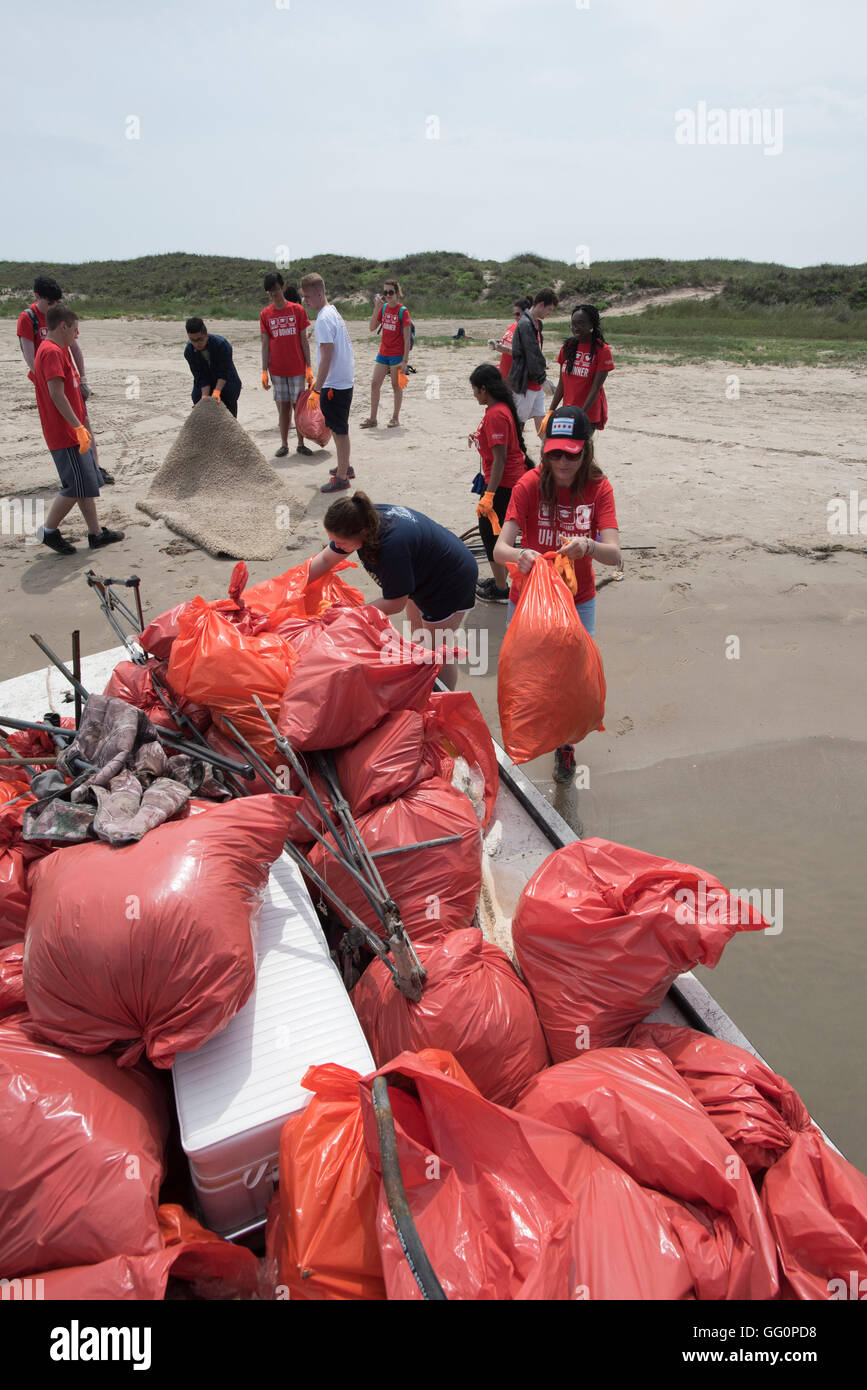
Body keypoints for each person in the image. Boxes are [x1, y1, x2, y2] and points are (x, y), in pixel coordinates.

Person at [494, 406, 620, 783]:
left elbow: (615, 555)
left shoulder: (599, 488)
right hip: (530, 596)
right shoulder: (528, 485)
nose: (563, 462)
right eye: (555, 453)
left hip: (577, 600)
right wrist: (522, 555)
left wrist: (588, 545)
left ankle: (565, 744)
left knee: (573, 675)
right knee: (530, 671)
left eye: (572, 454)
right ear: (545, 450)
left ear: (587, 450)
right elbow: (500, 549)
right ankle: (529, 737)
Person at [307, 492, 478, 691]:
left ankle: (445, 699)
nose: (337, 546)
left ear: (361, 533)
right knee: (420, 638)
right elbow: (326, 559)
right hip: (421, 573)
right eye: (333, 540)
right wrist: (297, 581)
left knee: (437, 649)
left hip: (449, 581)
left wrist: (351, 615)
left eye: (341, 543)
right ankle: (424, 685)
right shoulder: (361, 516)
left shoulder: (390, 548)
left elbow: (396, 602)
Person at [32, 305, 124, 556]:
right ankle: (48, 531)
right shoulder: (51, 351)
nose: (77, 333)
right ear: (64, 326)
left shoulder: (59, 350)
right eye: (75, 327)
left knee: (85, 483)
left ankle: (95, 534)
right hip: (65, 434)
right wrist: (78, 427)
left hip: (72, 432)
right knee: (75, 486)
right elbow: (55, 394)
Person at [17, 275, 113, 484]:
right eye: (49, 302)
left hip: (69, 376)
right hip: (49, 380)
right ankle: (73, 471)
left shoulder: (60, 315)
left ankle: (94, 467)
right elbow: (29, 356)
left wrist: (84, 379)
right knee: (61, 425)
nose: (53, 306)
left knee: (83, 420)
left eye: (56, 302)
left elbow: (75, 347)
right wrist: (47, 385)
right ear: (37, 297)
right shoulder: (28, 318)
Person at [467, 363, 531, 604]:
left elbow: (501, 458)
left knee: (491, 536)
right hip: (505, 481)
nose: (474, 395)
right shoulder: (500, 408)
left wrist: (489, 495)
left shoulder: (496, 414)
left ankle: (503, 589)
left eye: (475, 390)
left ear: (484, 389)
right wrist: (478, 438)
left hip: (502, 484)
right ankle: (501, 580)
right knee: (497, 533)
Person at [299, 273, 356, 493]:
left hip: (334, 385)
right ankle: (345, 466)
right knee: (339, 427)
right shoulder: (332, 312)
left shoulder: (324, 318)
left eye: (307, 296)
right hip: (343, 380)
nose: (305, 300)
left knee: (339, 430)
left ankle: (342, 477)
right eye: (303, 296)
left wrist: (317, 387)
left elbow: (327, 353)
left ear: (319, 293)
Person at [260, 272, 314, 457]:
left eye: (275, 289)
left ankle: (301, 443)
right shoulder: (265, 314)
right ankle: (284, 444)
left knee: (297, 406)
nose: (273, 294)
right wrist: (264, 370)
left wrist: (309, 367)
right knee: (283, 407)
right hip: (277, 369)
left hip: (297, 368)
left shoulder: (297, 310)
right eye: (270, 291)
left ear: (282, 287)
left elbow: (304, 341)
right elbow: (265, 343)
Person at [549, 304, 614, 431]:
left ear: (591, 325)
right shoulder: (567, 347)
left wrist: (581, 416)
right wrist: (551, 411)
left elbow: (595, 388)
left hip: (587, 414)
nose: (575, 328)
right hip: (567, 412)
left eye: (581, 323)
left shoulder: (602, 350)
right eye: (573, 324)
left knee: (581, 449)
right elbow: (562, 384)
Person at [360, 278, 411, 429]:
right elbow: (371, 327)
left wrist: (405, 361)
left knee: (396, 386)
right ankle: (373, 419)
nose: (388, 295)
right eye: (385, 292)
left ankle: (395, 418)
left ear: (397, 293)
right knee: (375, 384)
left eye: (391, 292)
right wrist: (377, 308)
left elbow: (407, 339)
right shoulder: (383, 309)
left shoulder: (403, 311)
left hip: (397, 355)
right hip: (383, 353)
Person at [508, 288, 559, 434]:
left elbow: (535, 354)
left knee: (542, 423)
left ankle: (548, 453)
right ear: (541, 304)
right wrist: (543, 380)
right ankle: (515, 453)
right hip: (525, 384)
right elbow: (532, 356)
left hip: (535, 383)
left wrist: (541, 380)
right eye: (549, 309)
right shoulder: (525, 324)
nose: (549, 313)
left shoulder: (536, 323)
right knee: (519, 423)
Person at [183, 318, 242, 417]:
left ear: (206, 334)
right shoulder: (189, 351)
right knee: (200, 403)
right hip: (205, 385)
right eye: (193, 340)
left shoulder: (222, 344)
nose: (197, 344)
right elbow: (200, 376)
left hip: (226, 382)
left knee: (228, 413)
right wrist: (204, 397)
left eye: (200, 339)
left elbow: (224, 372)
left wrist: (217, 391)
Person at [488, 296, 532, 381]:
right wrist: (497, 344)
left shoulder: (529, 330)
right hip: (505, 374)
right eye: (514, 314)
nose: (515, 317)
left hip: (516, 377)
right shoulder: (514, 326)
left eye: (518, 314)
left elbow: (527, 354)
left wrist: (507, 350)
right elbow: (511, 343)